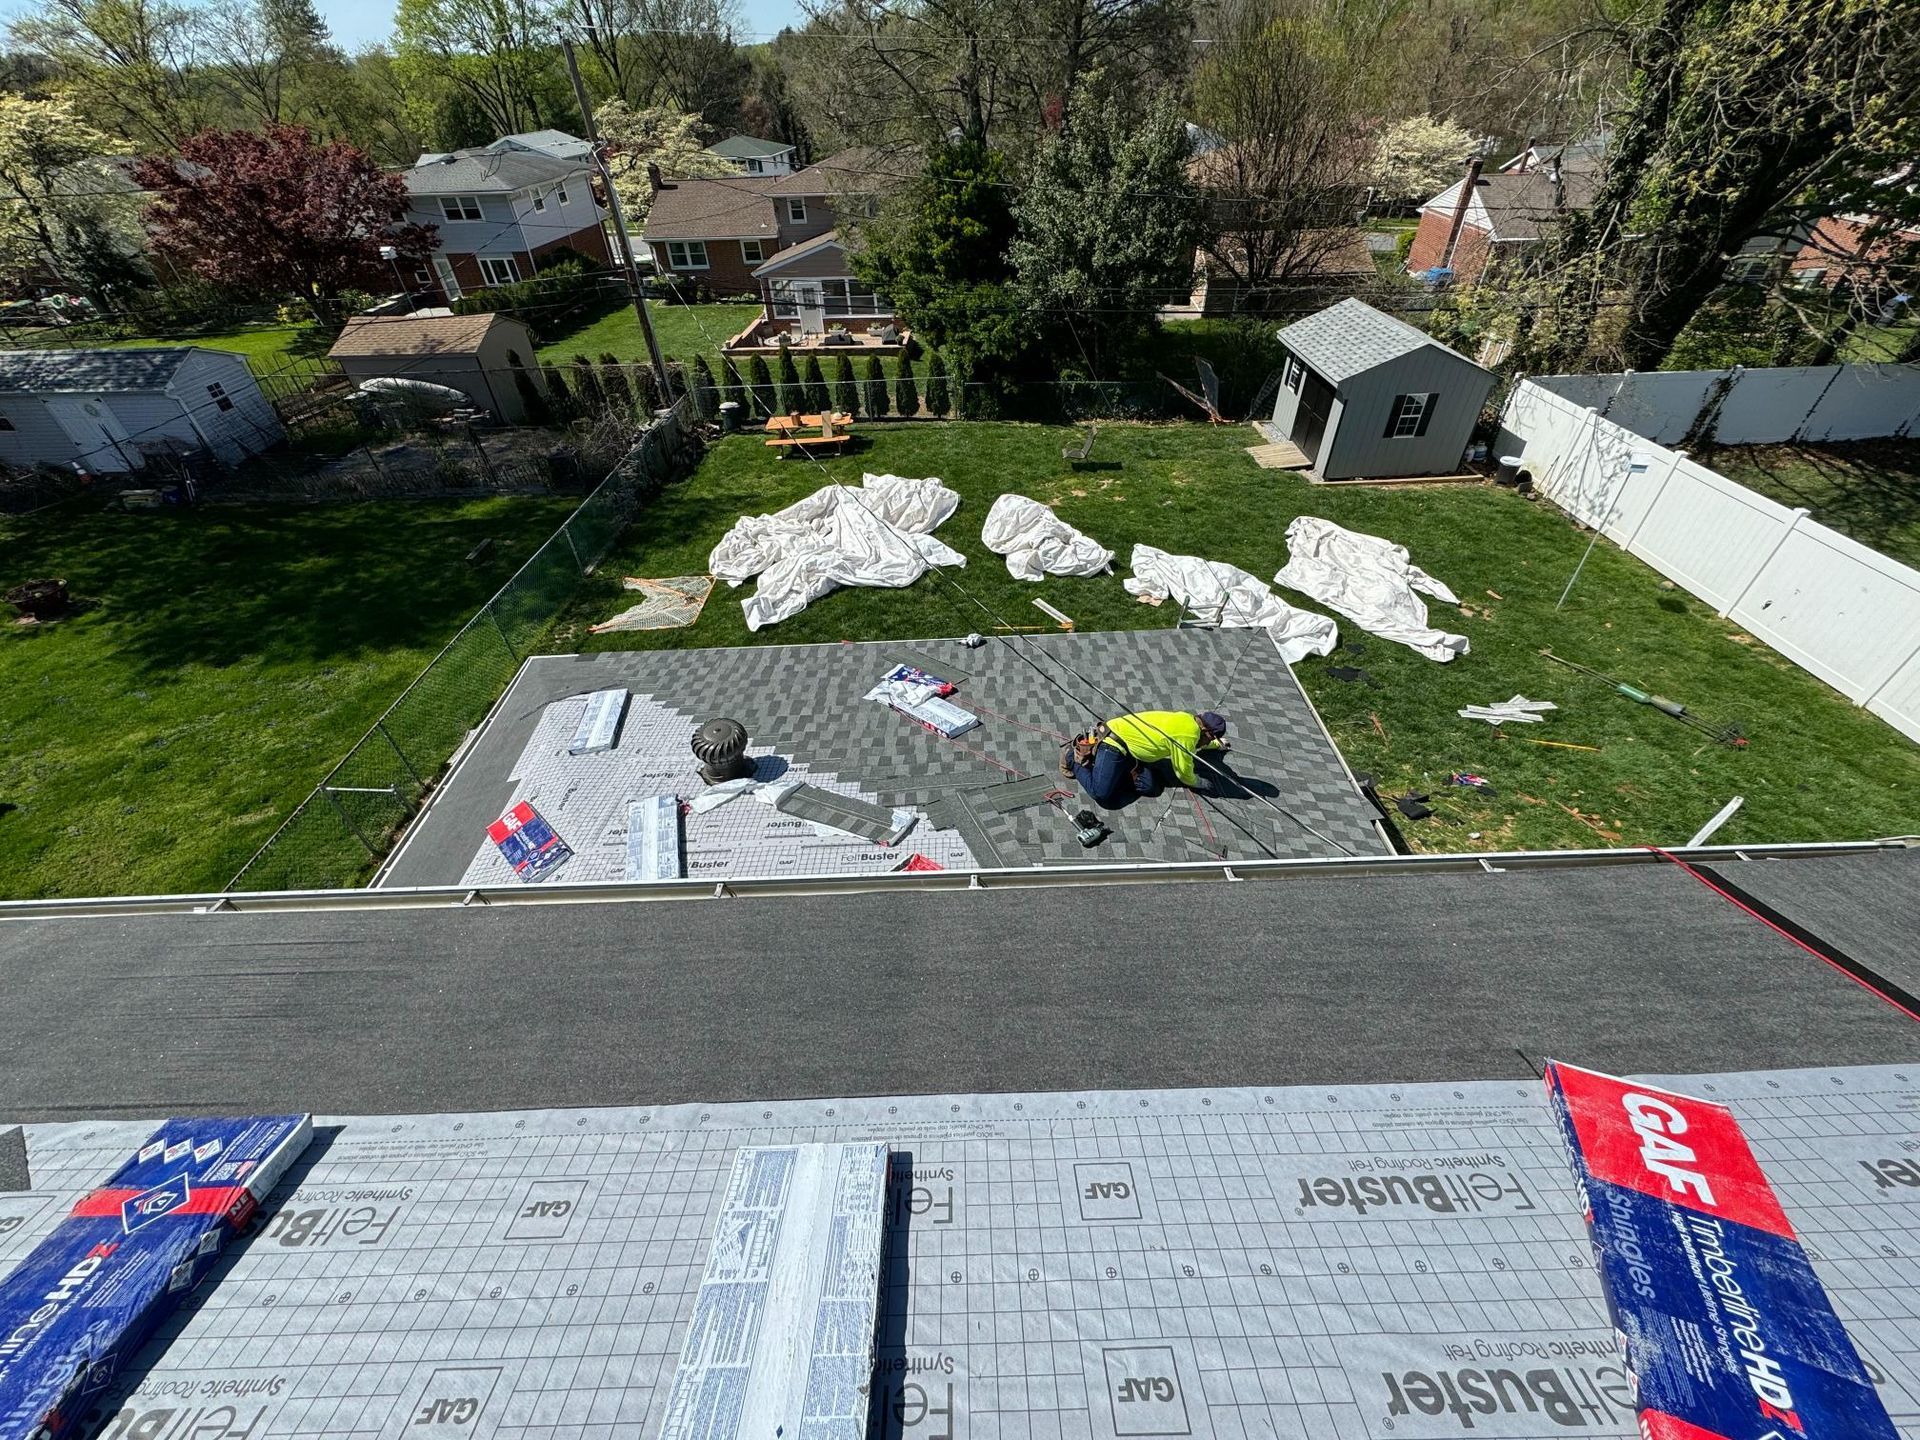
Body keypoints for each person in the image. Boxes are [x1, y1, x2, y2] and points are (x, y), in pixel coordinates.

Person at [1061, 710, 1228, 809]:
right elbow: (1183, 772)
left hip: (1131, 752)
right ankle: (1072, 759)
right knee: (1102, 794)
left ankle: (1111, 773)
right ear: (1206, 731)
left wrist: (1215, 745)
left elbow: (1195, 742)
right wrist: (1199, 783)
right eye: (1211, 739)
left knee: (1149, 788)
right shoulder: (1187, 735)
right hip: (1113, 743)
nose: (1207, 742)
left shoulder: (1187, 720)